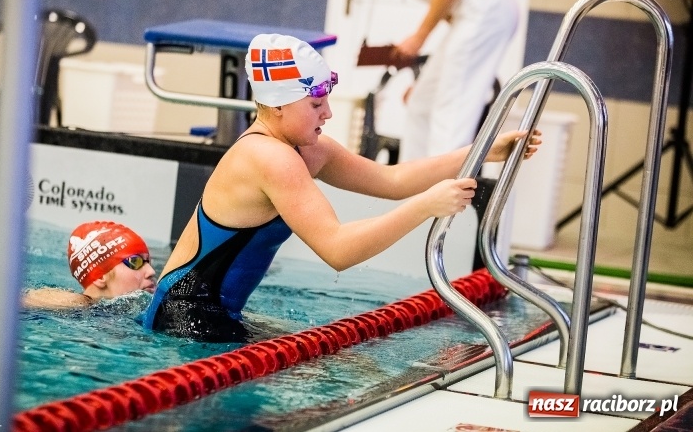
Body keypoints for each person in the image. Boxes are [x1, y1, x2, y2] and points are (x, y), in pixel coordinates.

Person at [142, 33, 540, 342]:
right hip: (185, 315)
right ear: (278, 105)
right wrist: (426, 207)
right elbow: (337, 250)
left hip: (217, 314)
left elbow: (393, 180)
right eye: (316, 105)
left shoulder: (303, 149)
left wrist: (483, 150)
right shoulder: (269, 158)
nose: (328, 113)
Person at [324, 0, 519, 160]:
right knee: (420, 102)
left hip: (486, 7)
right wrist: (428, 79)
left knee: (452, 108)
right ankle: (414, 185)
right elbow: (450, 13)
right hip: (473, 15)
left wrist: (418, 38)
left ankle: (446, 189)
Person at [23, 221, 157, 309]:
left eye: (148, 261)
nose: (151, 271)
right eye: (135, 262)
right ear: (100, 276)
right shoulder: (77, 305)